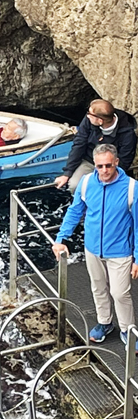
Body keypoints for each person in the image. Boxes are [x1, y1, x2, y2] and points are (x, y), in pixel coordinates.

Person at [51, 143, 138, 345]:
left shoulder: (132, 188)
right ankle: (104, 322)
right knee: (98, 288)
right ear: (95, 164)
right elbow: (75, 211)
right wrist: (61, 238)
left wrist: (137, 258)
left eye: (108, 165)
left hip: (120, 251)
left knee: (120, 293)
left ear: (117, 162)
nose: (104, 170)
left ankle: (128, 330)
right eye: (100, 166)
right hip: (92, 248)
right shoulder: (86, 182)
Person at [54, 99, 137, 193]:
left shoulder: (128, 135)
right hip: (89, 161)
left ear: (100, 121)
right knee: (75, 185)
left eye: (89, 113)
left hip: (111, 166)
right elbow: (79, 144)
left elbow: (124, 161)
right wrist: (67, 173)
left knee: (105, 187)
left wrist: (106, 175)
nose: (87, 115)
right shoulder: (89, 119)